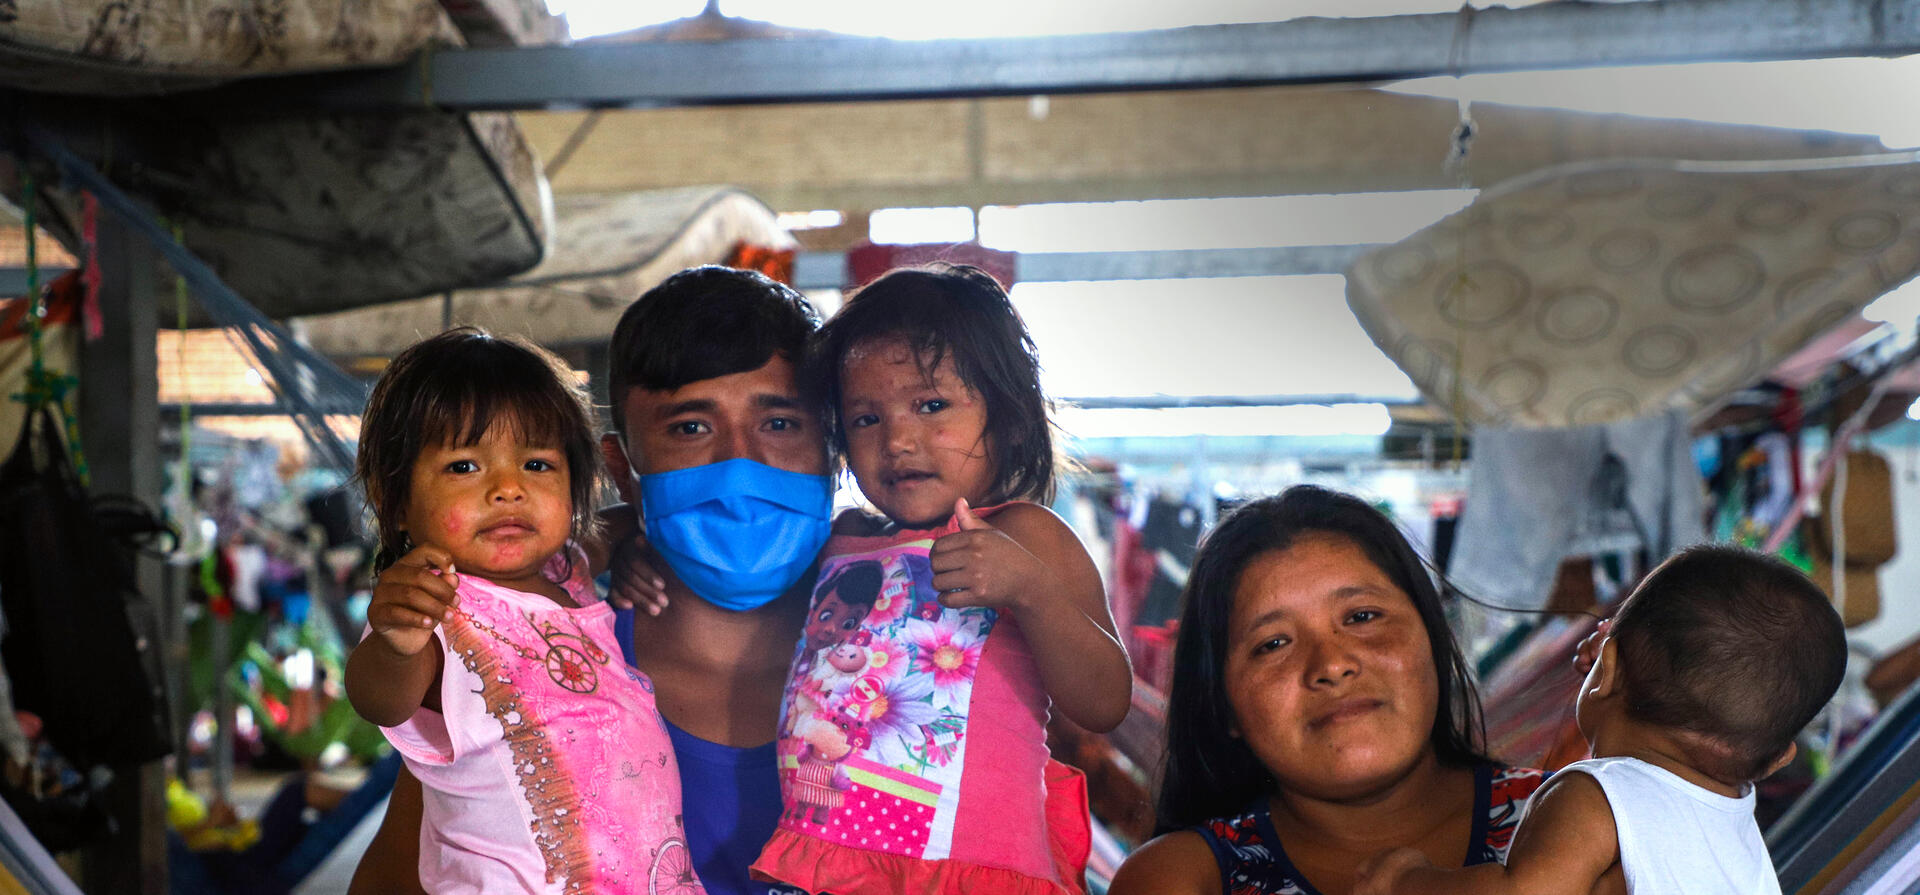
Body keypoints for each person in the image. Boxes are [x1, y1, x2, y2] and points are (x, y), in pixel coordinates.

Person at [348, 266, 831, 895]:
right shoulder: (501, 663)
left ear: (835, 441)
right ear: (621, 466)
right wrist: (395, 638)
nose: (739, 470)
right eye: (690, 428)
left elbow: (591, 535)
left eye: (781, 423)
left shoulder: (921, 657)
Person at [748, 265, 1131, 895]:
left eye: (931, 406)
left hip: (966, 872)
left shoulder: (1025, 534)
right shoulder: (838, 540)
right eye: (866, 419)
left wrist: (1030, 589)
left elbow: (1105, 702)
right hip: (822, 865)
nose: (898, 439)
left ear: (1006, 416)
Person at [342, 329, 702, 894]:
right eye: (464, 467)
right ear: (398, 503)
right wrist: (394, 641)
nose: (508, 488)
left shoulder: (568, 575)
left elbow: (618, 524)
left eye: (537, 465)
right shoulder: (437, 610)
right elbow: (379, 698)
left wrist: (650, 535)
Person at [1109, 486, 1545, 895]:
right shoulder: (1182, 879)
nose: (1332, 665)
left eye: (1362, 617)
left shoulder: (1581, 821)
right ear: (1223, 705)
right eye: (1273, 644)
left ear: (1432, 637)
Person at [1355, 545, 1847, 895]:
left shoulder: (1598, 797)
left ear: (1605, 670)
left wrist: (1406, 881)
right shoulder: (1732, 830)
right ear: (1777, 759)